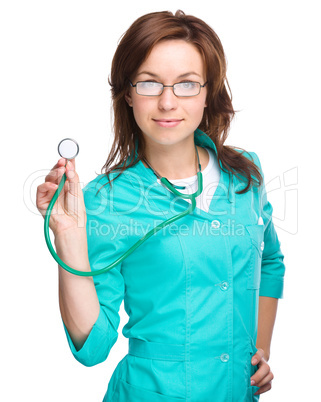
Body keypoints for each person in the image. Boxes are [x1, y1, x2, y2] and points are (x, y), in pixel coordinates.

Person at [36, 10, 285, 402]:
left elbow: (269, 261)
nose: (168, 102)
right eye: (150, 84)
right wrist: (69, 236)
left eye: (187, 84)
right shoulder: (106, 199)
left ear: (208, 93)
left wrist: (260, 351)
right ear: (128, 94)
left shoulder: (245, 174)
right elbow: (94, 344)